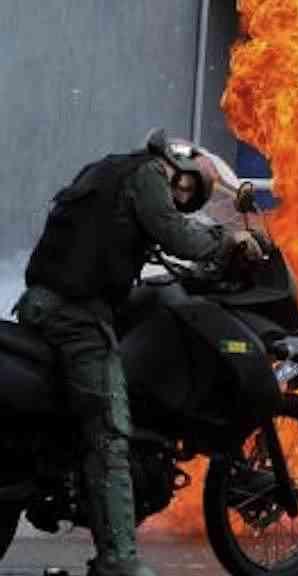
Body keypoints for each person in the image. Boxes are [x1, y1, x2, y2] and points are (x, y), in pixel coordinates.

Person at [14, 130, 263, 576]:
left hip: (44, 304)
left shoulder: (107, 170)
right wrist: (231, 241)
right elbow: (178, 235)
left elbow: (122, 238)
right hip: (75, 318)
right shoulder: (149, 174)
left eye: (188, 197)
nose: (180, 196)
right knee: (109, 432)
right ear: (179, 163)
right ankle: (119, 560)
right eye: (185, 188)